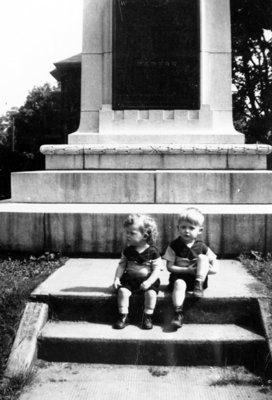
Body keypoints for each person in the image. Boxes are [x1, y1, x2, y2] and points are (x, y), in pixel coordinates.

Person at [163, 207, 218, 329]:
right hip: (180, 276)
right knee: (179, 284)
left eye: (191, 228)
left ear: (200, 230)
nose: (186, 231)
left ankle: (198, 284)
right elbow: (169, 267)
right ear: (178, 228)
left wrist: (205, 270)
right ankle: (178, 313)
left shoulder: (202, 246)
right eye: (183, 227)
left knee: (203, 258)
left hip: (196, 281)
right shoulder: (174, 245)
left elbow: (215, 266)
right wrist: (187, 270)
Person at [113, 214, 162, 330]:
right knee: (123, 292)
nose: (127, 236)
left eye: (132, 233)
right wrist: (117, 278)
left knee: (151, 294)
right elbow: (121, 266)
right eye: (127, 233)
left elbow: (156, 270)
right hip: (130, 279)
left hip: (147, 281)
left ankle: (148, 316)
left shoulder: (153, 252)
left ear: (145, 236)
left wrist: (149, 282)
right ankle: (124, 316)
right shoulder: (128, 251)